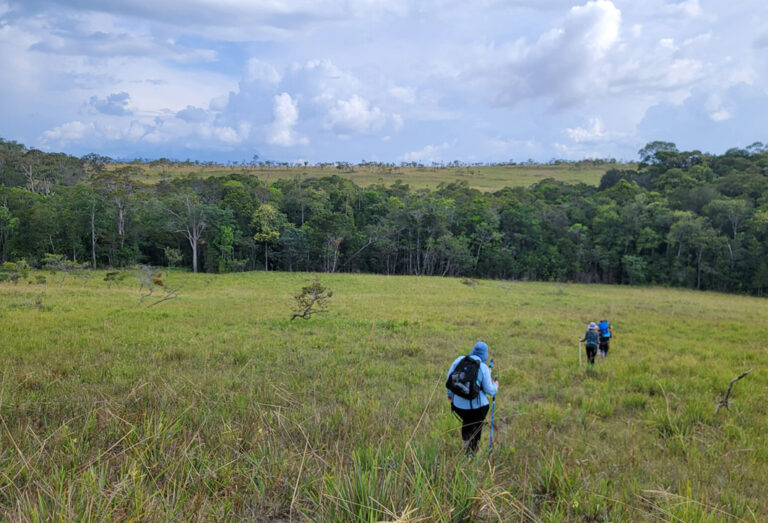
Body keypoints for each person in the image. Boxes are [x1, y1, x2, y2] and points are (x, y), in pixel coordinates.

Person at [446, 341, 499, 455]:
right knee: (476, 426)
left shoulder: (459, 360)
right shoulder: (483, 367)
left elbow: (449, 380)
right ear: (485, 355)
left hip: (458, 406)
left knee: (467, 423)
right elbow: (489, 390)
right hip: (477, 409)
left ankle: (466, 448)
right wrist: (496, 386)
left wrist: (450, 396)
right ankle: (472, 453)